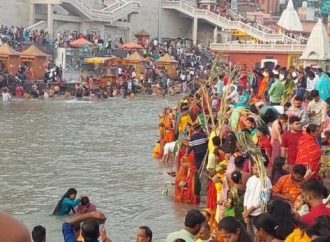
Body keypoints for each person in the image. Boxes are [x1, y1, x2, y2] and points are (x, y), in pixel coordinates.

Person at [243, 162, 272, 241]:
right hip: (248, 213)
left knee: (258, 236)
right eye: (255, 169)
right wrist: (245, 210)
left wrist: (249, 210)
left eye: (258, 169)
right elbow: (247, 195)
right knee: (250, 235)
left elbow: (264, 199)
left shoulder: (266, 180)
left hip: (258, 213)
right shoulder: (251, 179)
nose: (256, 171)